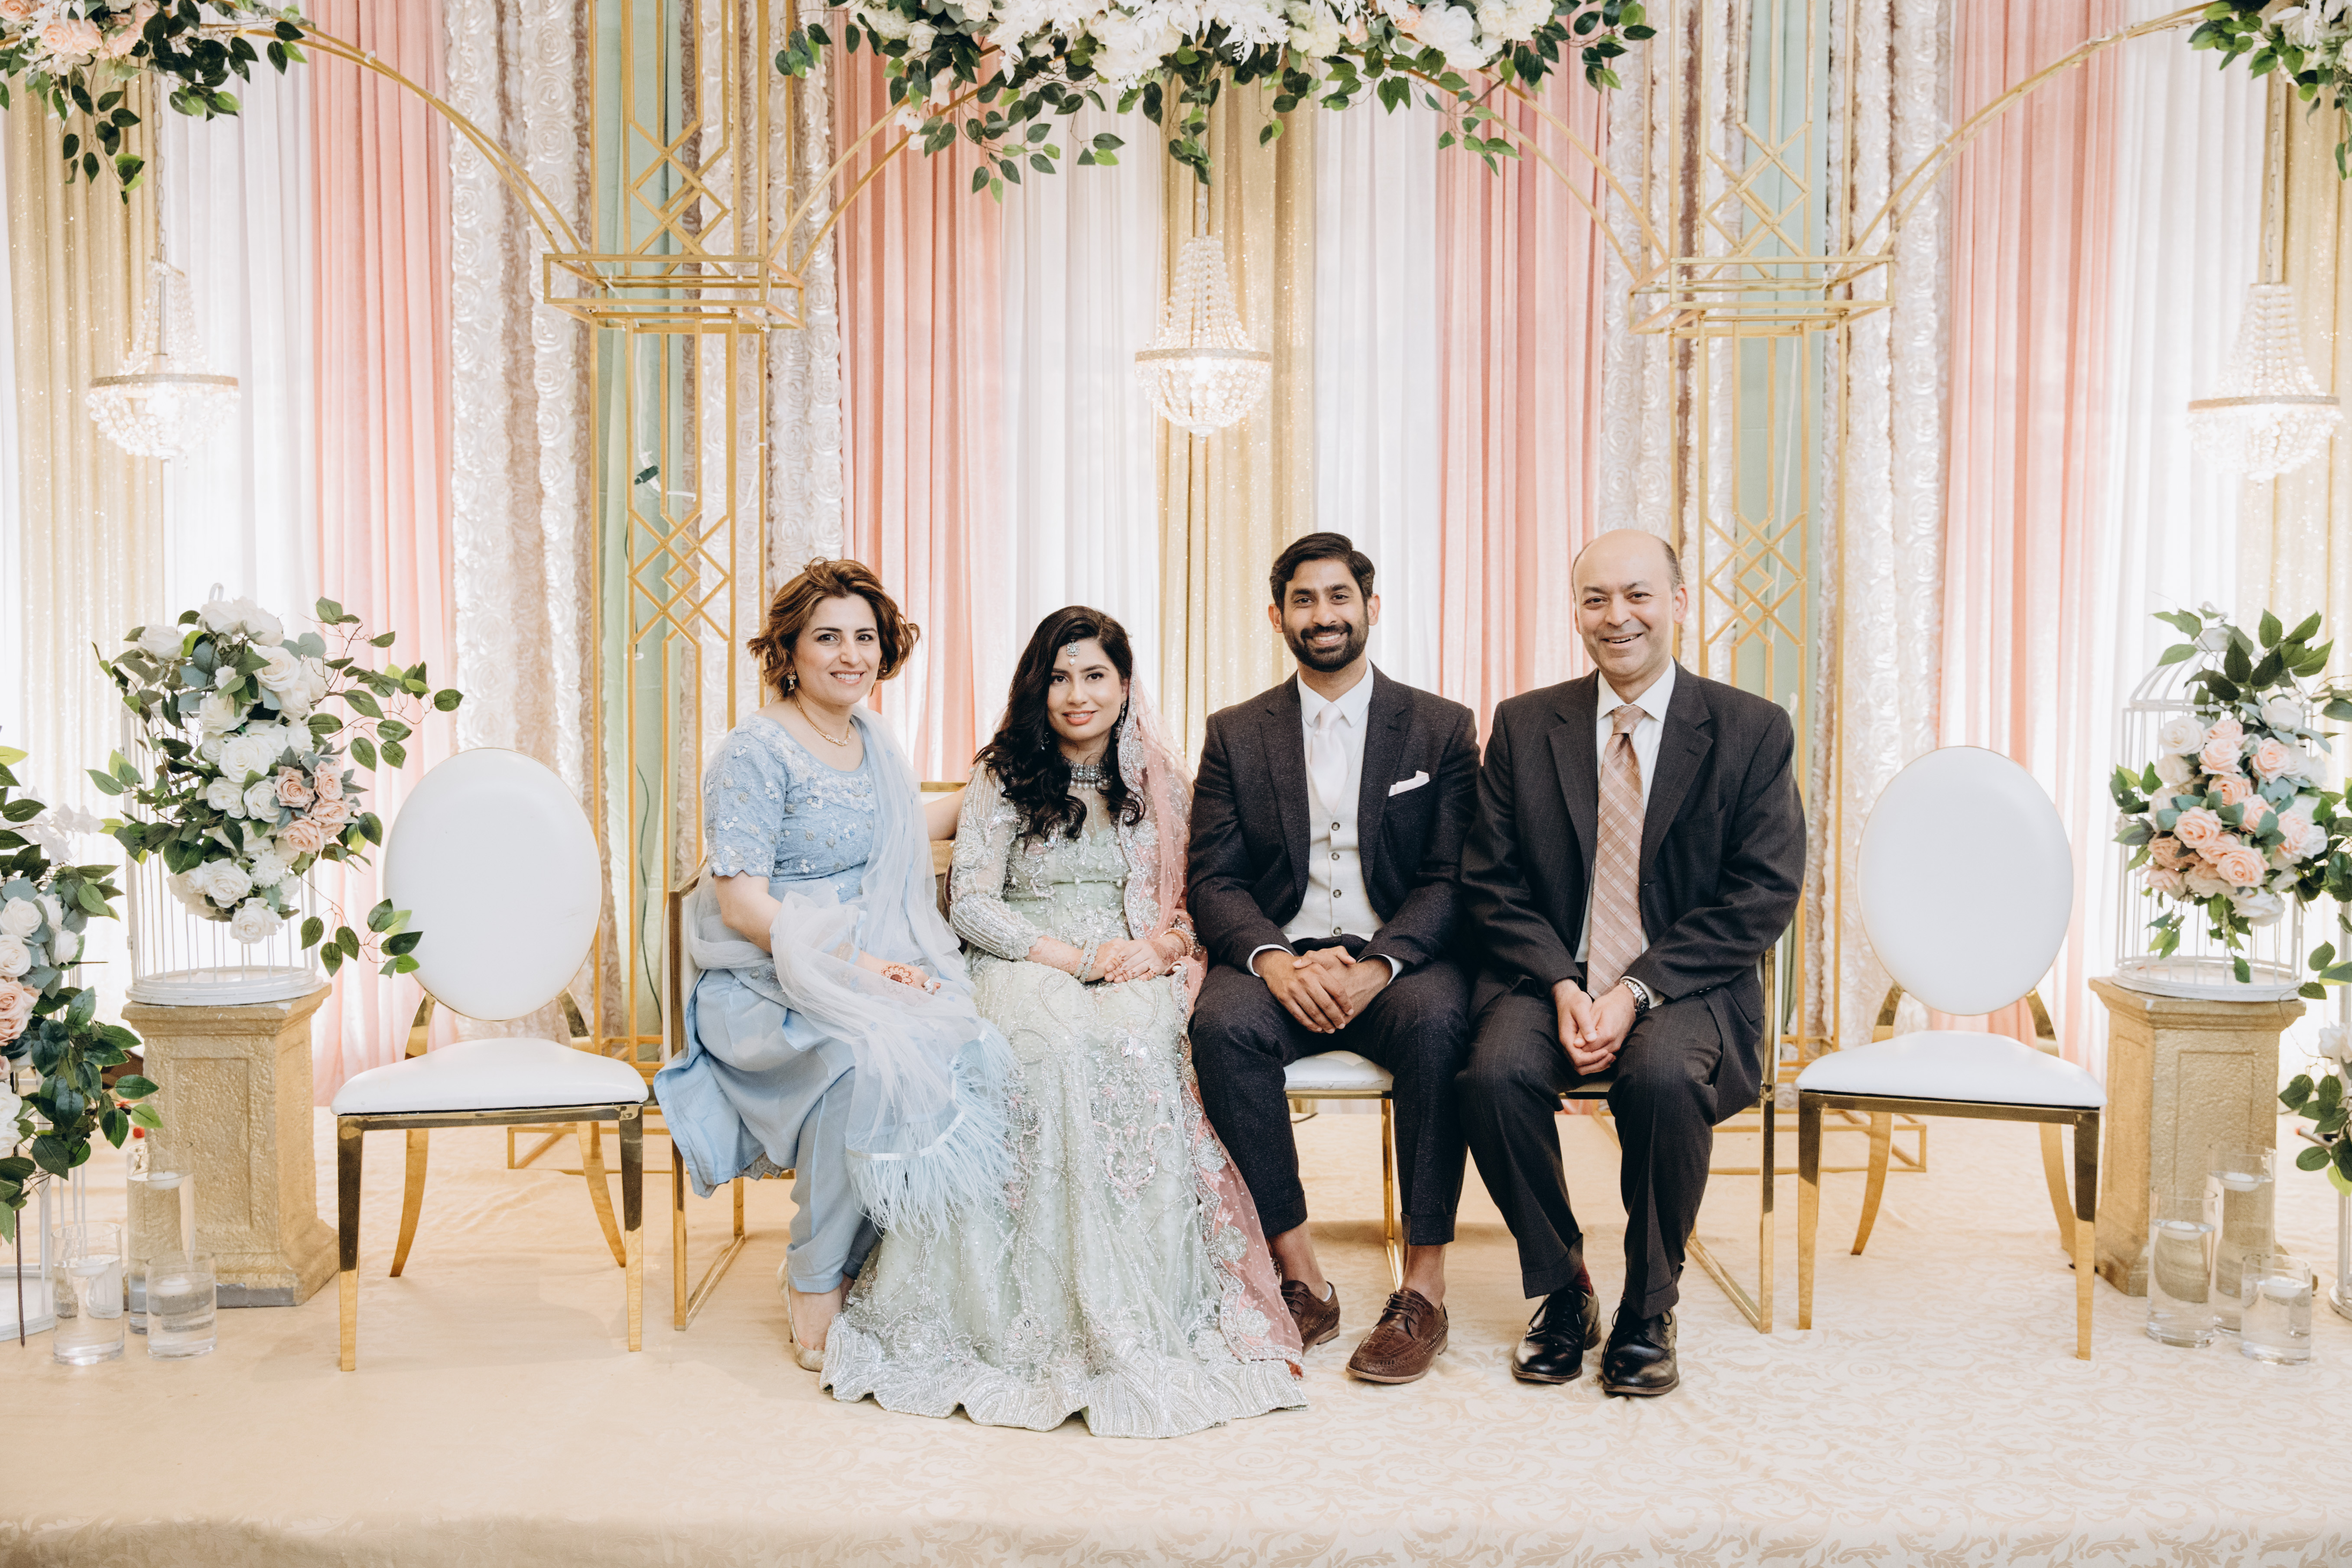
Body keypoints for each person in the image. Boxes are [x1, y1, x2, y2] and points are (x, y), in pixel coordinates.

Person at [823, 607, 1304, 1438]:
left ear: (1124, 685)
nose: (1077, 695)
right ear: (1036, 688)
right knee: (1054, 1046)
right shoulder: (1003, 774)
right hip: (1022, 957)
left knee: (1137, 1046)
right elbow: (972, 903)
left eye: (1094, 676)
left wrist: (1161, 947)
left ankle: (1144, 1299)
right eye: (1059, 677)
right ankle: (1021, 1310)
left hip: (1133, 958)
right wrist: (1071, 958)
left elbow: (1195, 897)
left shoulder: (1160, 778)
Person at [1456, 528, 1804, 1398]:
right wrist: (1564, 982)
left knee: (1660, 1075)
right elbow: (1490, 880)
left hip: (1686, 979)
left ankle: (1648, 1307)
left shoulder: (1751, 729)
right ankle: (1562, 1287)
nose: (1618, 616)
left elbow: (1762, 892)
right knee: (1491, 1073)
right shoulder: (1525, 724)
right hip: (1553, 970)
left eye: (1638, 594)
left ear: (1678, 602)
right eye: (1596, 598)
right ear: (1575, 612)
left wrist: (1636, 989)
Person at [654, 559, 1007, 1373]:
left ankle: (884, 1265)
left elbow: (901, 828)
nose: (851, 655)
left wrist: (1002, 783)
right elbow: (742, 906)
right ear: (788, 650)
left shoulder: (869, 737)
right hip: (763, 982)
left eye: (865, 638)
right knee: (862, 1065)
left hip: (863, 963)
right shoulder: (754, 751)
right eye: (828, 638)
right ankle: (815, 1277)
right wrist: (860, 967)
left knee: (969, 1045)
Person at [1186, 533, 1481, 1386]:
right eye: (1304, 600)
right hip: (1283, 956)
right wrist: (1273, 960)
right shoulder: (1235, 733)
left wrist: (1379, 966)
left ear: (1370, 607)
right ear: (1276, 616)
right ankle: (1301, 1277)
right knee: (1219, 1024)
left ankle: (1422, 1288)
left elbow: (1451, 876)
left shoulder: (1441, 727)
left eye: (1339, 597)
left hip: (1396, 962)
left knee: (1441, 1023)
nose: (1323, 615)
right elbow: (1213, 877)